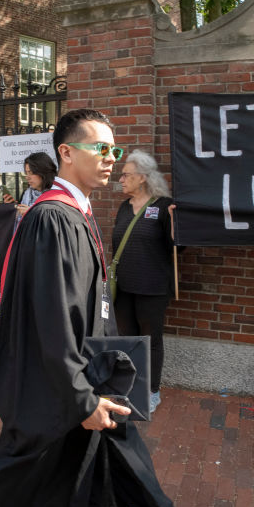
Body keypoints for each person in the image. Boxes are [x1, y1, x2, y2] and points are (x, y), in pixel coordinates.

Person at [0, 108, 229, 507]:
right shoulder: (53, 220)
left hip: (83, 364)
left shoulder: (75, 212)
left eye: (114, 150)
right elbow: (51, 316)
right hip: (54, 370)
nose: (110, 159)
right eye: (99, 148)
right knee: (26, 453)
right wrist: (79, 395)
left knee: (121, 445)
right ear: (66, 152)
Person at [111, 151, 176, 415]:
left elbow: (176, 248)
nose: (121, 179)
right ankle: (129, 387)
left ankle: (151, 391)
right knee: (127, 339)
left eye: (126, 174)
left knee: (151, 340)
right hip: (124, 286)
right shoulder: (124, 207)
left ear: (143, 178)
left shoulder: (163, 206)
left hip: (153, 287)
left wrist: (175, 224)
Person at [2, 151, 57, 219]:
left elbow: (55, 221)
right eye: (26, 173)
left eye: (31, 173)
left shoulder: (57, 196)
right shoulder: (26, 193)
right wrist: (12, 207)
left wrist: (32, 213)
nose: (27, 177)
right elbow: (18, 219)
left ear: (43, 172)